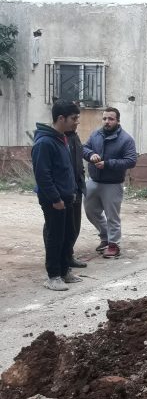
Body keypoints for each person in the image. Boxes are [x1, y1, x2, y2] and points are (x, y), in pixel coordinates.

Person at [32, 100, 83, 291]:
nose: (77, 122)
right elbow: (42, 175)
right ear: (61, 118)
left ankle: (64, 271)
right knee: (55, 237)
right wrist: (56, 199)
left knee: (68, 234)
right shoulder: (45, 142)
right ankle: (53, 276)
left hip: (67, 197)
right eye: (74, 118)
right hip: (55, 201)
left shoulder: (62, 138)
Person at [82, 107, 137, 258]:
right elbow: (84, 148)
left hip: (113, 184)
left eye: (111, 119)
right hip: (93, 180)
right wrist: (91, 154)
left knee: (112, 215)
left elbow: (131, 161)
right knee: (90, 211)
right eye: (105, 118)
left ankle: (113, 245)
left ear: (118, 121)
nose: (107, 121)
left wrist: (108, 164)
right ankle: (105, 236)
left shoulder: (126, 139)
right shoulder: (96, 134)